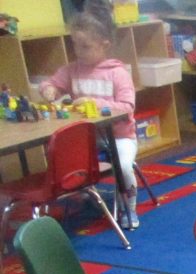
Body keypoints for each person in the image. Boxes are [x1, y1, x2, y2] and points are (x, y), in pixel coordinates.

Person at [39, 0, 141, 230]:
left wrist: (93, 102)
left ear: (104, 44)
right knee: (59, 158)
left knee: (124, 166)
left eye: (85, 46)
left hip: (120, 136)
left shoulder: (117, 73)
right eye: (75, 45)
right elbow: (51, 83)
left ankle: (130, 206)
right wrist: (49, 89)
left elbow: (126, 107)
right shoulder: (72, 70)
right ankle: (82, 195)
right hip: (86, 140)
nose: (78, 52)